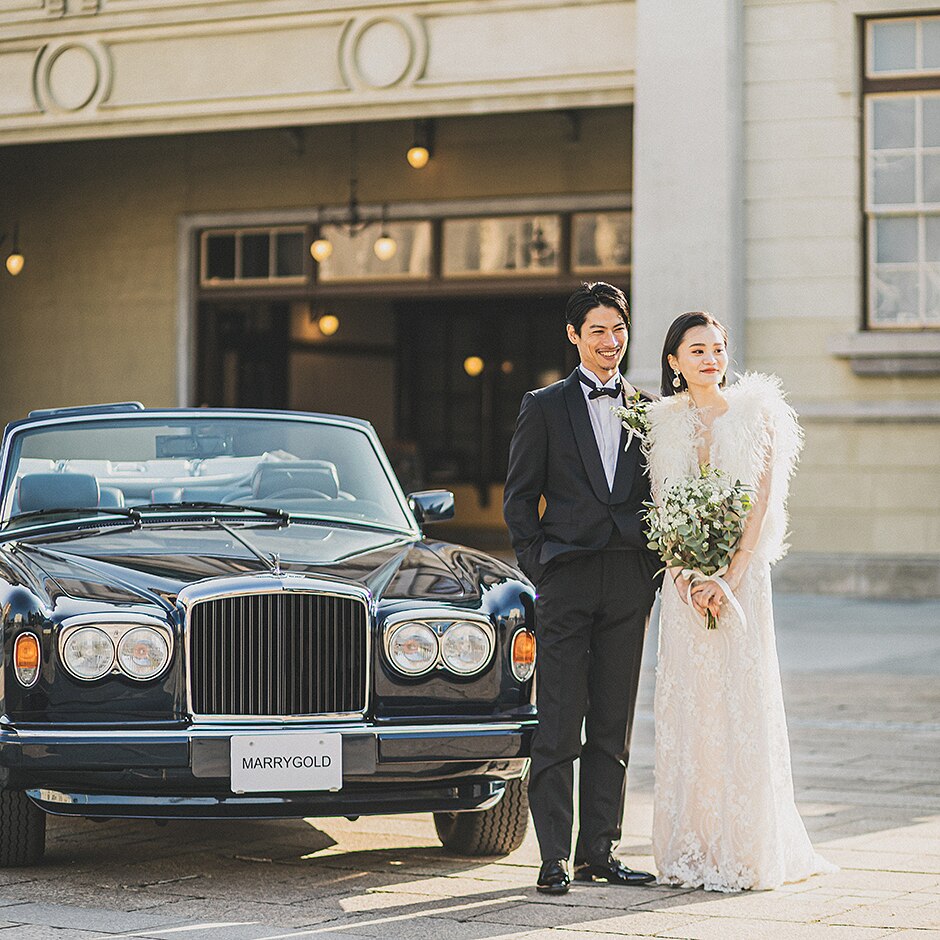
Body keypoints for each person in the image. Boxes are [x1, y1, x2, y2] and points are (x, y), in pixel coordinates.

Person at [645, 311, 837, 892]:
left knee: (739, 703)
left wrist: (726, 578)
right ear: (674, 361)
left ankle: (748, 848)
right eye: (697, 349)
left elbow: (761, 506)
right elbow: (659, 509)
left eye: (718, 348)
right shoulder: (661, 424)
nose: (711, 358)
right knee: (692, 710)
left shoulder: (759, 413)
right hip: (682, 589)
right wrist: (682, 575)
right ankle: (694, 847)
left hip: (741, 582)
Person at [503, 282, 661, 895]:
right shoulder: (543, 406)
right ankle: (553, 858)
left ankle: (600, 850)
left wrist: (651, 567)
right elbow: (519, 497)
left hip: (627, 579)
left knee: (613, 724)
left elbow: (656, 496)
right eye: (597, 330)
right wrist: (539, 565)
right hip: (565, 578)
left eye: (618, 330)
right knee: (560, 722)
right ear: (574, 336)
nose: (610, 341)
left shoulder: (647, 409)